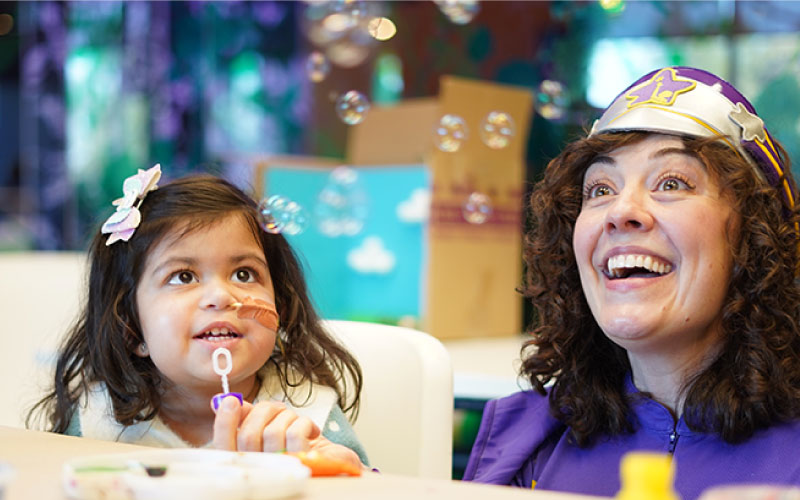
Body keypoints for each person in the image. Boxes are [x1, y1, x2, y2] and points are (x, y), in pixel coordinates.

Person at [463, 66, 800, 499]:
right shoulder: (525, 442)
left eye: (672, 182)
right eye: (600, 189)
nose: (621, 211)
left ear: (752, 240)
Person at [28, 166, 367, 469]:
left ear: (281, 308)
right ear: (131, 330)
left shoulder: (306, 417)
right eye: (184, 277)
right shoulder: (99, 424)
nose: (221, 297)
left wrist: (338, 472)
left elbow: (371, 489)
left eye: (245, 274)